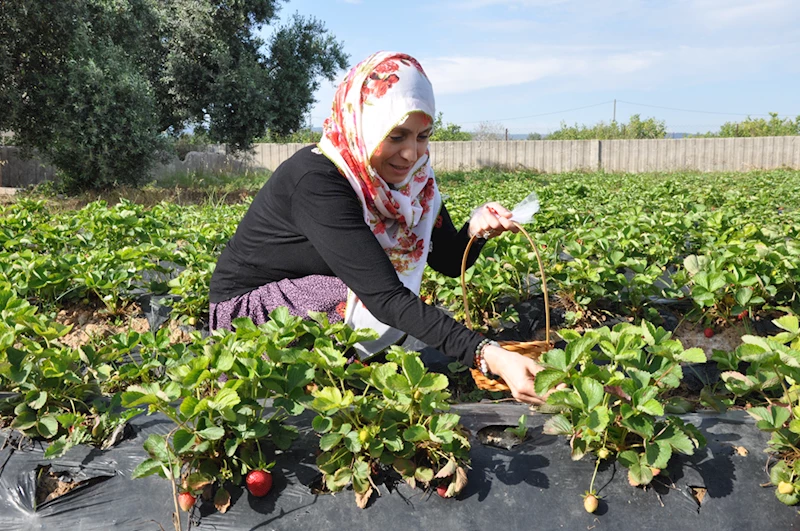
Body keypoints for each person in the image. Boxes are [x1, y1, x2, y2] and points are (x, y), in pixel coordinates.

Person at [209, 51, 548, 404]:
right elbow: (385, 297)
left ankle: (353, 375)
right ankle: (318, 386)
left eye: (422, 136)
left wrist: (476, 230)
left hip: (316, 289)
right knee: (350, 298)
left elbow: (446, 260)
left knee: (368, 298)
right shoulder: (317, 180)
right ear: (364, 126)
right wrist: (490, 355)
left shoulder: (415, 181)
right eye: (397, 135)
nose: (411, 153)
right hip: (249, 312)